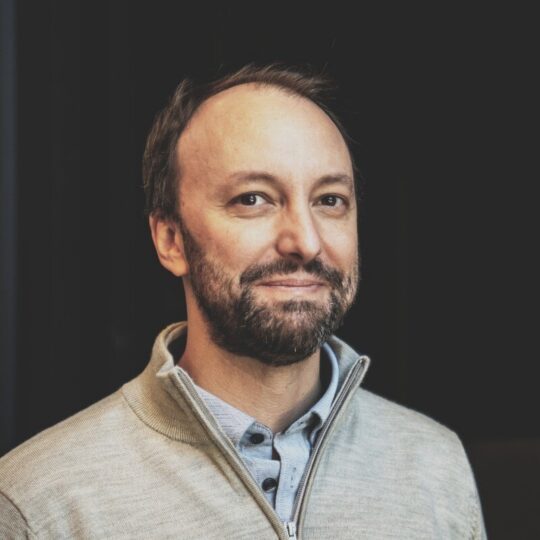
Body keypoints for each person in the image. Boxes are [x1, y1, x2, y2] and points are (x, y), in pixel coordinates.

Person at [0, 64, 486, 539]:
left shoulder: (435, 465)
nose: (306, 242)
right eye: (253, 199)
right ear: (170, 239)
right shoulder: (39, 504)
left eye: (329, 200)